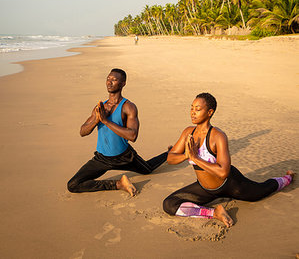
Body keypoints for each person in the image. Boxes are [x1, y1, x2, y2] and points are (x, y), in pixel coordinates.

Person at [163, 92, 294, 227]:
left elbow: (223, 172)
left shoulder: (218, 136)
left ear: (210, 112)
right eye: (191, 108)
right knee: (169, 204)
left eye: (198, 109)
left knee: (261, 191)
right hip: (205, 189)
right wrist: (186, 155)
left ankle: (286, 179)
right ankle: (214, 213)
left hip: (230, 184)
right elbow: (170, 158)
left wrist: (195, 158)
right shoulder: (188, 133)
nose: (193, 113)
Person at [67, 68, 168, 196]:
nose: (109, 82)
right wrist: (96, 120)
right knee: (73, 185)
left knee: (148, 169)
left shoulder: (128, 107)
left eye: (114, 80)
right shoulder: (100, 107)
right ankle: (119, 184)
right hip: (102, 158)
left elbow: (132, 135)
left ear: (123, 83)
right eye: (108, 79)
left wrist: (106, 121)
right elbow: (82, 131)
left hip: (124, 157)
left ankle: (170, 152)